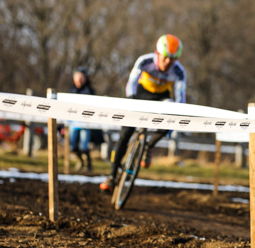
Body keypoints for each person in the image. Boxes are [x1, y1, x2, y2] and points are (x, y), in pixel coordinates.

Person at [99, 34, 187, 192]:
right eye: (165, 58)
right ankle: (112, 176)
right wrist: (132, 100)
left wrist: (178, 111)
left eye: (172, 60)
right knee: (125, 135)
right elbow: (131, 82)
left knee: (172, 116)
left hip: (161, 98)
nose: (168, 63)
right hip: (140, 95)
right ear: (157, 53)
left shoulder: (179, 72)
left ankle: (148, 146)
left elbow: (181, 97)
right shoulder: (145, 61)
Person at [68, 67, 99, 171]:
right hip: (73, 122)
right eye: (76, 77)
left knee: (84, 146)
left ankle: (88, 165)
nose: (78, 80)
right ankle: (81, 162)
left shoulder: (90, 91)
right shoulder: (72, 91)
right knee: (72, 146)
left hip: (85, 123)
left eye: (81, 77)